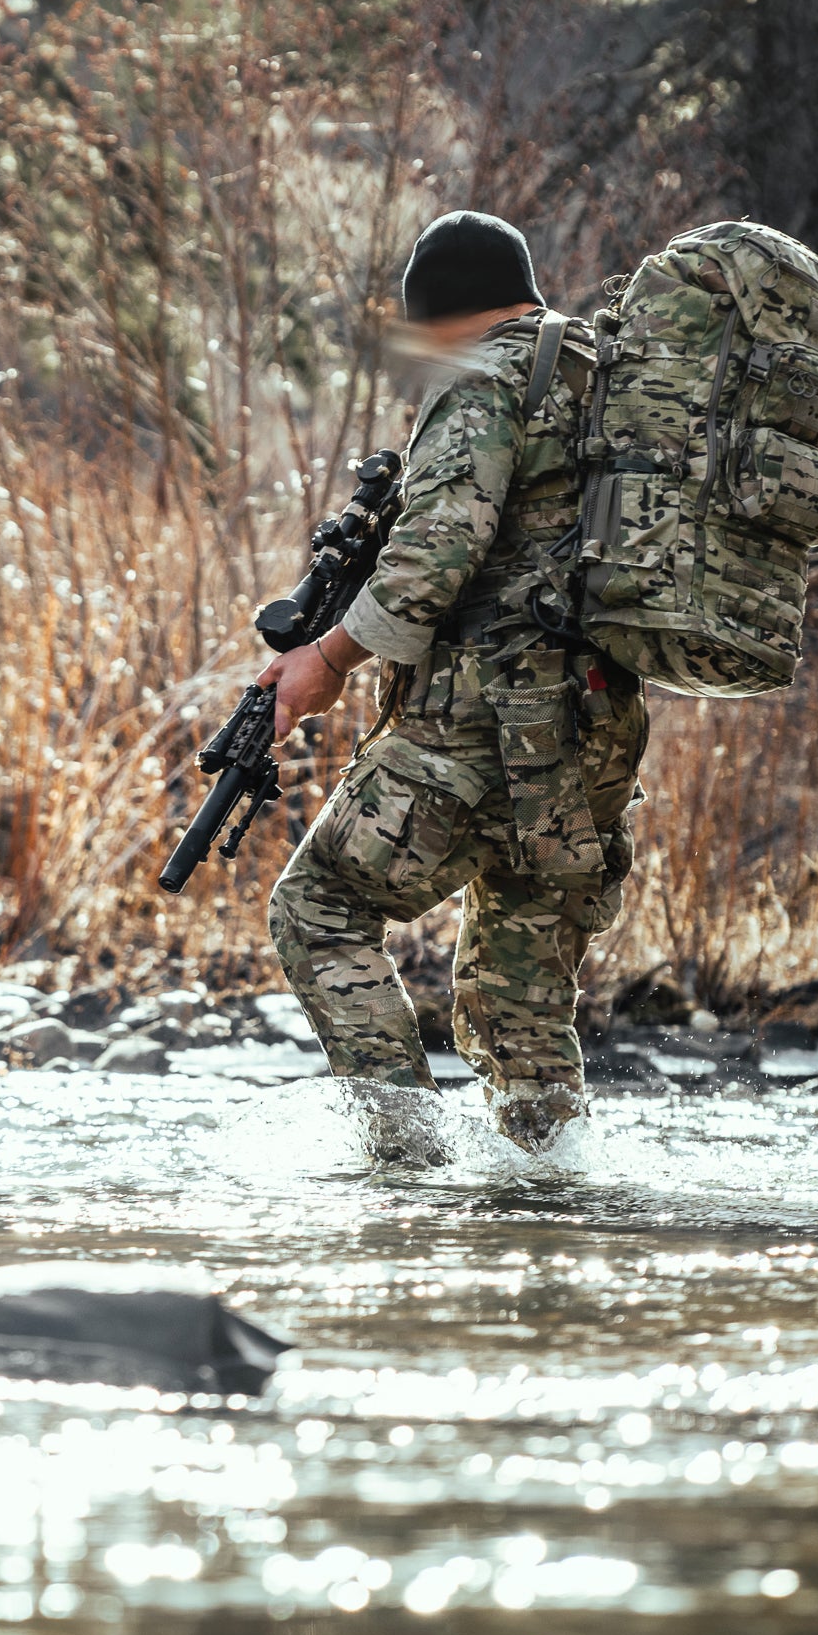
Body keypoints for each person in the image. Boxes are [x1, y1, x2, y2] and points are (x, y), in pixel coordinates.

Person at [261, 211, 648, 1151]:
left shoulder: (483, 377)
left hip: (482, 725)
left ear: (438, 314)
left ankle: (407, 1164)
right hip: (593, 734)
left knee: (318, 906)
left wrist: (325, 661)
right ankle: (550, 1192)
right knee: (520, 1007)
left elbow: (434, 557)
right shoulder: (600, 378)